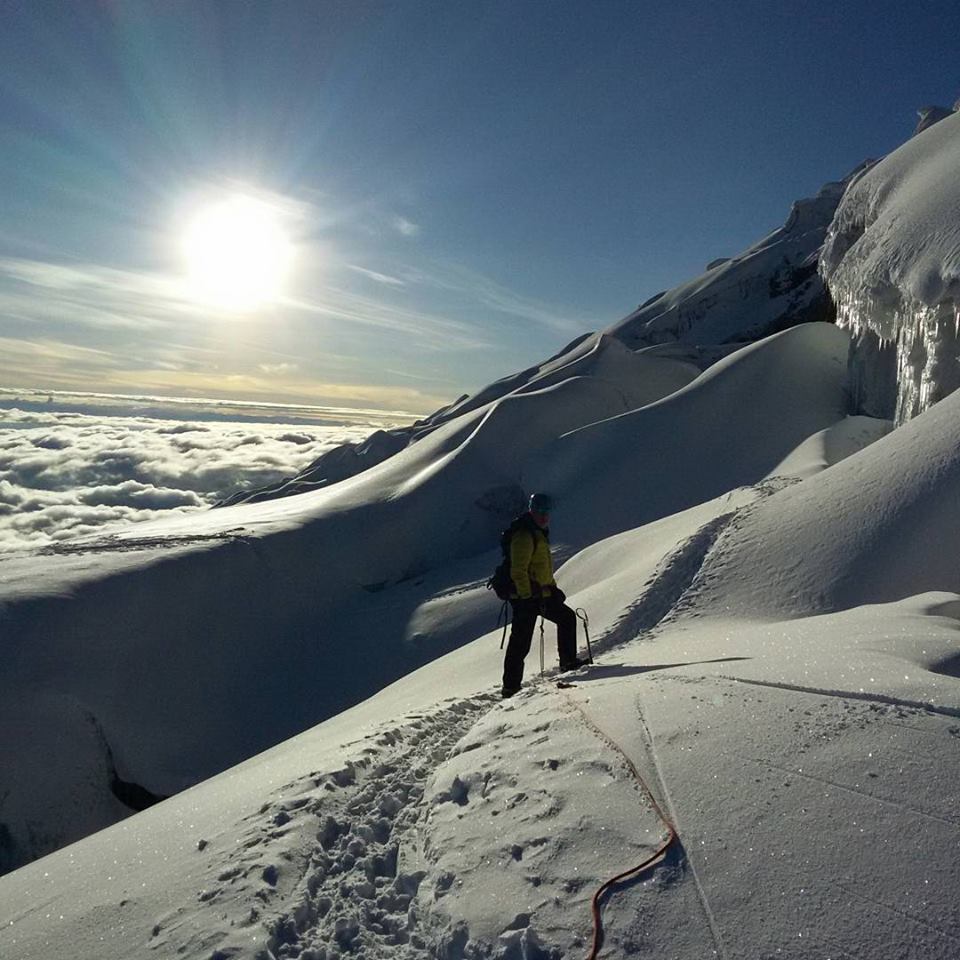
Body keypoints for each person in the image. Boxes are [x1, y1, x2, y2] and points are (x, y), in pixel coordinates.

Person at [501, 492, 588, 698]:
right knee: (521, 642)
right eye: (540, 512)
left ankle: (568, 662)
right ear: (531, 510)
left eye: (546, 512)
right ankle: (510, 687)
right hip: (527, 597)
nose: (544, 516)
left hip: (540, 594)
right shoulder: (524, 535)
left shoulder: (537, 532)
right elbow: (518, 571)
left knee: (566, 618)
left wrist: (552, 588)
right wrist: (526, 595)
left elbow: (542, 568)